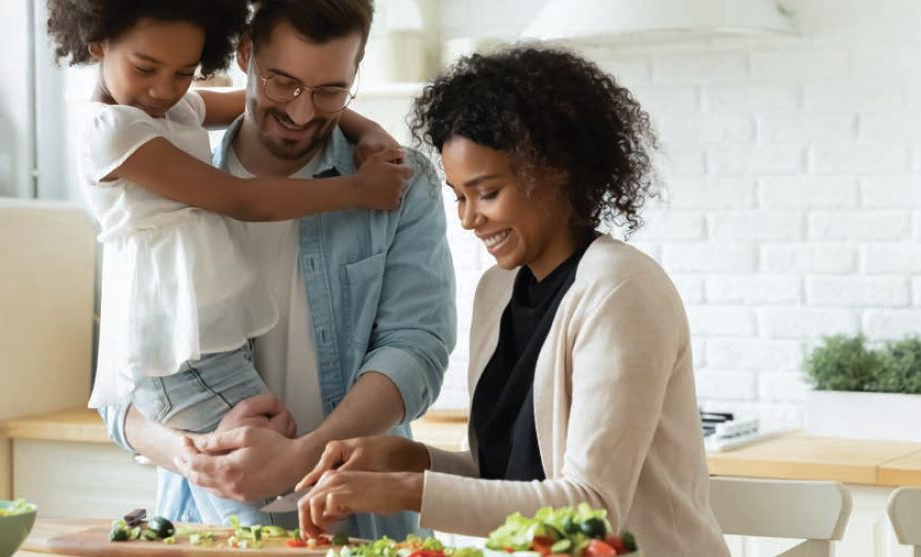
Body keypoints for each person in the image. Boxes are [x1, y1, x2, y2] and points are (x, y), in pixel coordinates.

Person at [292, 45, 731, 556]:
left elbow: (590, 508)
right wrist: (405, 458)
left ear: (556, 169)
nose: (468, 218)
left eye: (487, 191)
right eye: (459, 195)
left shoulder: (620, 291)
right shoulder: (498, 291)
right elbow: (504, 479)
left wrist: (406, 490)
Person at [96, 0, 456, 538]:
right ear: (245, 56)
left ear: (356, 73)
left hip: (369, 526)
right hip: (203, 518)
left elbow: (417, 350)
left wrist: (300, 458)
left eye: (330, 90)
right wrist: (194, 457)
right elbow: (125, 386)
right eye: (282, 83)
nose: (302, 113)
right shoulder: (160, 178)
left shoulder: (401, 183)